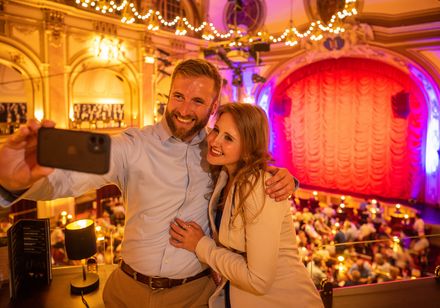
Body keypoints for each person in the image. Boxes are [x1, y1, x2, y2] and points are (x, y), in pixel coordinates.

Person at [0, 59, 296, 308]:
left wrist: (288, 178)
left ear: (213, 105)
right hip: (128, 291)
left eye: (197, 101)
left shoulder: (218, 150)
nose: (184, 109)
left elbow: (252, 169)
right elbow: (68, 179)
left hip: (194, 295)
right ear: (168, 96)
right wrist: (12, 182)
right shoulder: (132, 145)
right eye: (178, 96)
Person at [169, 103, 323, 307]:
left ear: (248, 147)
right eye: (216, 130)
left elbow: (258, 280)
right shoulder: (224, 175)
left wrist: (201, 245)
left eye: (229, 138)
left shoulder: (259, 187)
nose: (215, 141)